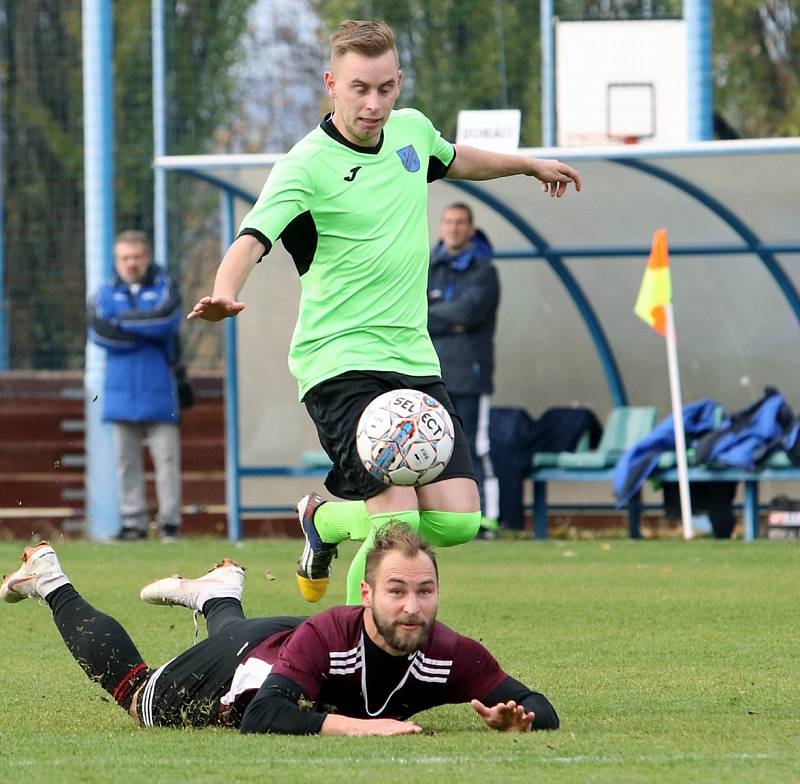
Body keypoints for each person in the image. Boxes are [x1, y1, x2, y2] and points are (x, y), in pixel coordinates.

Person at [187, 20, 581, 603]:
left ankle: (321, 521)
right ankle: (352, 669)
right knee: (394, 528)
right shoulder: (305, 165)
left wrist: (527, 165)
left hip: (413, 362)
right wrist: (223, 291)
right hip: (339, 365)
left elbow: (456, 159)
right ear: (331, 84)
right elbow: (251, 239)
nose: (372, 104)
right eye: (358, 89)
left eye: (384, 89)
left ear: (398, 83)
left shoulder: (412, 133)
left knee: (457, 521)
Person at [0, 524, 559, 735]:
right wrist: (370, 728)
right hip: (239, 670)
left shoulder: (449, 651)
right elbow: (264, 717)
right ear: (365, 595)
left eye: (424, 591)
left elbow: (540, 705)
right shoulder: (330, 634)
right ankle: (51, 580)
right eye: (396, 591)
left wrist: (518, 721)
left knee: (261, 648)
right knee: (138, 695)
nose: (412, 607)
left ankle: (219, 594)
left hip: (279, 644)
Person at [89, 230, 184, 541]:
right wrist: (145, 328)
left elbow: (166, 322)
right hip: (119, 392)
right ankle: (134, 524)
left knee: (166, 461)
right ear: (117, 260)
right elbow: (100, 333)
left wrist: (122, 322)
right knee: (125, 463)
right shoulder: (103, 292)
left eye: (137, 257)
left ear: (147, 258)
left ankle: (169, 523)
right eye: (125, 258)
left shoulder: (165, 286)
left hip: (159, 390)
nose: (131, 263)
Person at [428, 202, 500, 539]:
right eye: (448, 221)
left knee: (475, 445)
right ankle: (443, 515)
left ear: (470, 229)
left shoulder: (484, 271)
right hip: (431, 375)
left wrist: (437, 316)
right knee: (430, 447)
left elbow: (470, 312)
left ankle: (487, 518)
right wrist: (449, 320)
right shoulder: (425, 266)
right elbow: (412, 312)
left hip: (470, 376)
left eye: (460, 223)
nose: (453, 228)